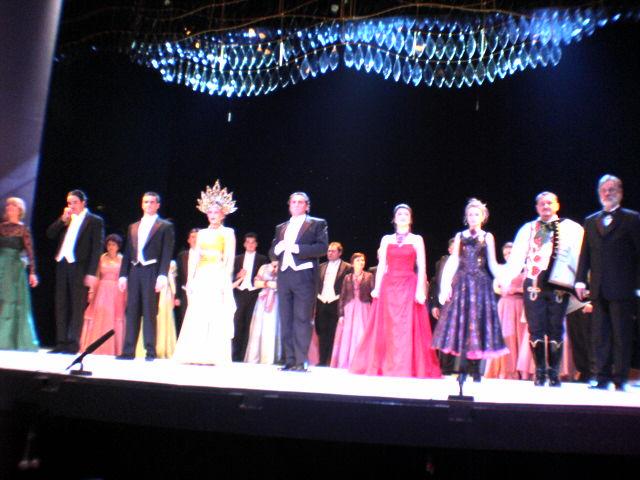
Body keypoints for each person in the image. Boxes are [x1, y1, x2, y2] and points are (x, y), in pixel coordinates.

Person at [349, 204, 441, 378]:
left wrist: (420, 290)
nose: (403, 216)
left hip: (408, 285)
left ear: (411, 218)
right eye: (399, 214)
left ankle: (406, 366)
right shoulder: (386, 239)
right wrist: (377, 288)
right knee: (387, 326)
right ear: (394, 218)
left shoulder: (416, 239)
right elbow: (382, 265)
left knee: (406, 326)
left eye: (406, 213)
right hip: (389, 285)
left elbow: (422, 266)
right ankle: (385, 364)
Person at [502, 192, 583, 387]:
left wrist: (580, 282)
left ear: (557, 205)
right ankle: (540, 372)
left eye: (549, 203)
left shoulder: (571, 228)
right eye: (541, 203)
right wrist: (506, 279)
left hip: (559, 284)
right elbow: (517, 257)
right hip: (534, 283)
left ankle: (554, 373)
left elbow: (579, 256)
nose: (546, 206)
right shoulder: (529, 229)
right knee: (535, 328)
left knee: (556, 328)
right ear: (537, 207)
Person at [576, 175, 640, 391]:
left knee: (621, 334)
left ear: (620, 192)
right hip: (598, 288)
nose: (607, 193)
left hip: (623, 287)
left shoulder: (632, 219)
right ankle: (600, 376)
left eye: (611, 189)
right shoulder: (591, 220)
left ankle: (620, 378)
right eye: (603, 189)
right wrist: (580, 280)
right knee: (599, 335)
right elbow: (585, 254)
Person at [433, 199, 507, 384]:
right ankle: (463, 368)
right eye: (470, 214)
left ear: (483, 216)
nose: (473, 217)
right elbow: (454, 261)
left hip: (480, 284)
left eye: (476, 214)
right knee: (462, 324)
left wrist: (502, 279)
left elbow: (492, 262)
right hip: (462, 283)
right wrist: (447, 285)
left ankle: (475, 369)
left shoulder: (487, 237)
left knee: (478, 323)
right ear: (466, 217)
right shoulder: (460, 236)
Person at [173, 180, 236, 365]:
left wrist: (225, 281)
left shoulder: (228, 233)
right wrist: (191, 279)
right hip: (202, 275)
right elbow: (195, 257)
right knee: (198, 313)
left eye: (216, 212)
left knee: (214, 313)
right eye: (210, 212)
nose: (213, 215)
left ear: (223, 214)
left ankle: (213, 354)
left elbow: (229, 259)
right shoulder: (201, 233)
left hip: (217, 275)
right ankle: (195, 353)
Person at [270, 192, 328, 372]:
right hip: (284, 276)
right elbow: (272, 252)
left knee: (302, 318)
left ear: (307, 206)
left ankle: (301, 361)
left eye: (300, 202)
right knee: (285, 318)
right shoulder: (281, 227)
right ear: (289, 205)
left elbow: (322, 248)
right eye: (293, 202)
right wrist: (276, 250)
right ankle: (289, 360)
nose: (296, 204)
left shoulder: (317, 223)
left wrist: (296, 248)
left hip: (304, 276)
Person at [117, 192, 175, 361]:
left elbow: (166, 252)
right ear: (142, 204)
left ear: (158, 205)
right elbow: (128, 252)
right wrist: (123, 275)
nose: (148, 205)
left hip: (151, 270)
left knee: (149, 311)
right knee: (132, 311)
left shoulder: (164, 226)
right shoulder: (133, 226)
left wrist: (162, 275)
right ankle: (128, 351)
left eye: (152, 202)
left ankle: (150, 351)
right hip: (135, 270)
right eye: (146, 202)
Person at [46, 189, 104, 354]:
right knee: (61, 303)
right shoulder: (67, 219)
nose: (71, 206)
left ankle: (73, 343)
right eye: (69, 203)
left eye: (75, 202)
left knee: (77, 305)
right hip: (62, 264)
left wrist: (91, 272)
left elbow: (97, 248)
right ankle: (61, 342)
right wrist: (62, 220)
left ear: (83, 202)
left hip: (80, 267)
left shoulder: (94, 220)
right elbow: (50, 234)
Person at [0, 197, 39, 351]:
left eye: (13, 206)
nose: (9, 208)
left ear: (20, 210)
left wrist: (32, 272)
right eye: (8, 205)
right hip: (1, 264)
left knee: (10, 301)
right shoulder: (1, 227)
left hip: (13, 268)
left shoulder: (23, 229)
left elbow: (30, 252)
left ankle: (6, 340)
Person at [484, 242, 527, 380]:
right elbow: (496, 287)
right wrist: (504, 290)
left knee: (520, 337)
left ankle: (522, 371)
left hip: (520, 304)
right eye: (505, 254)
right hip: (505, 305)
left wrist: (516, 290)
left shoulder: (525, 268)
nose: (508, 256)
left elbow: (530, 288)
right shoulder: (502, 269)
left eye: (510, 253)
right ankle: (507, 370)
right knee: (506, 336)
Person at [79, 234, 126, 355]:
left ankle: (114, 348)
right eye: (109, 244)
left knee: (113, 317)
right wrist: (91, 291)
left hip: (116, 292)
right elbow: (96, 275)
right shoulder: (101, 258)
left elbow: (124, 278)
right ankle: (93, 346)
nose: (111, 247)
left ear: (118, 246)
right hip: (101, 290)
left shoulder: (122, 259)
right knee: (99, 315)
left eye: (113, 245)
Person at [330, 252, 373, 369]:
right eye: (358, 260)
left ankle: (360, 363)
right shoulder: (347, 278)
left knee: (361, 334)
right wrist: (341, 314)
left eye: (362, 260)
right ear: (352, 263)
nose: (361, 262)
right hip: (349, 309)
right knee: (347, 335)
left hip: (364, 308)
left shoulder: (369, 276)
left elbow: (372, 295)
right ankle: (346, 362)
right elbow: (343, 296)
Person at [232, 233, 268, 362]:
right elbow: (230, 277)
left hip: (254, 294)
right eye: (248, 242)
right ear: (244, 244)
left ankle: (245, 356)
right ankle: (235, 356)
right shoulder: (237, 258)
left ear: (256, 244)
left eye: (253, 242)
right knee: (237, 324)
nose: (250, 245)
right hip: (239, 293)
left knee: (250, 325)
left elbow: (265, 276)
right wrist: (237, 275)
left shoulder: (262, 259)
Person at [315, 242, 352, 366]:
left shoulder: (347, 267)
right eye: (329, 251)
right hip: (322, 301)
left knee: (333, 332)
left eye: (333, 251)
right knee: (321, 331)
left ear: (340, 253)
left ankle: (330, 360)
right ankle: (322, 360)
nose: (330, 253)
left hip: (336, 301)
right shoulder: (321, 266)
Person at [135, 259, 178, 359]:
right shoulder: (151, 262)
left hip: (165, 295)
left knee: (164, 320)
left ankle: (163, 348)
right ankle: (149, 347)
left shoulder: (172, 264)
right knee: (151, 318)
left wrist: (173, 296)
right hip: (153, 292)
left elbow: (173, 282)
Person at [428, 237, 457, 374]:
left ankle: (453, 368)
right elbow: (435, 284)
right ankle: (443, 368)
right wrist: (434, 305)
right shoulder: (441, 263)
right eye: (454, 247)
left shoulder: (466, 263)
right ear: (449, 249)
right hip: (444, 303)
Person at [244, 260, 281, 364]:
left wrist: (276, 285)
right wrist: (267, 283)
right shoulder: (264, 267)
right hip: (263, 300)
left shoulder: (284, 266)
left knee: (273, 327)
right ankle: (255, 357)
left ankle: (272, 358)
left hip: (277, 300)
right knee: (258, 327)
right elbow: (256, 283)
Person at [175, 228, 199, 334]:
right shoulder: (182, 256)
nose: (195, 240)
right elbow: (178, 277)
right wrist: (177, 296)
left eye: (197, 237)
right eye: (193, 237)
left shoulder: (206, 256)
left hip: (201, 293)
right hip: (185, 293)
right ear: (188, 240)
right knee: (185, 321)